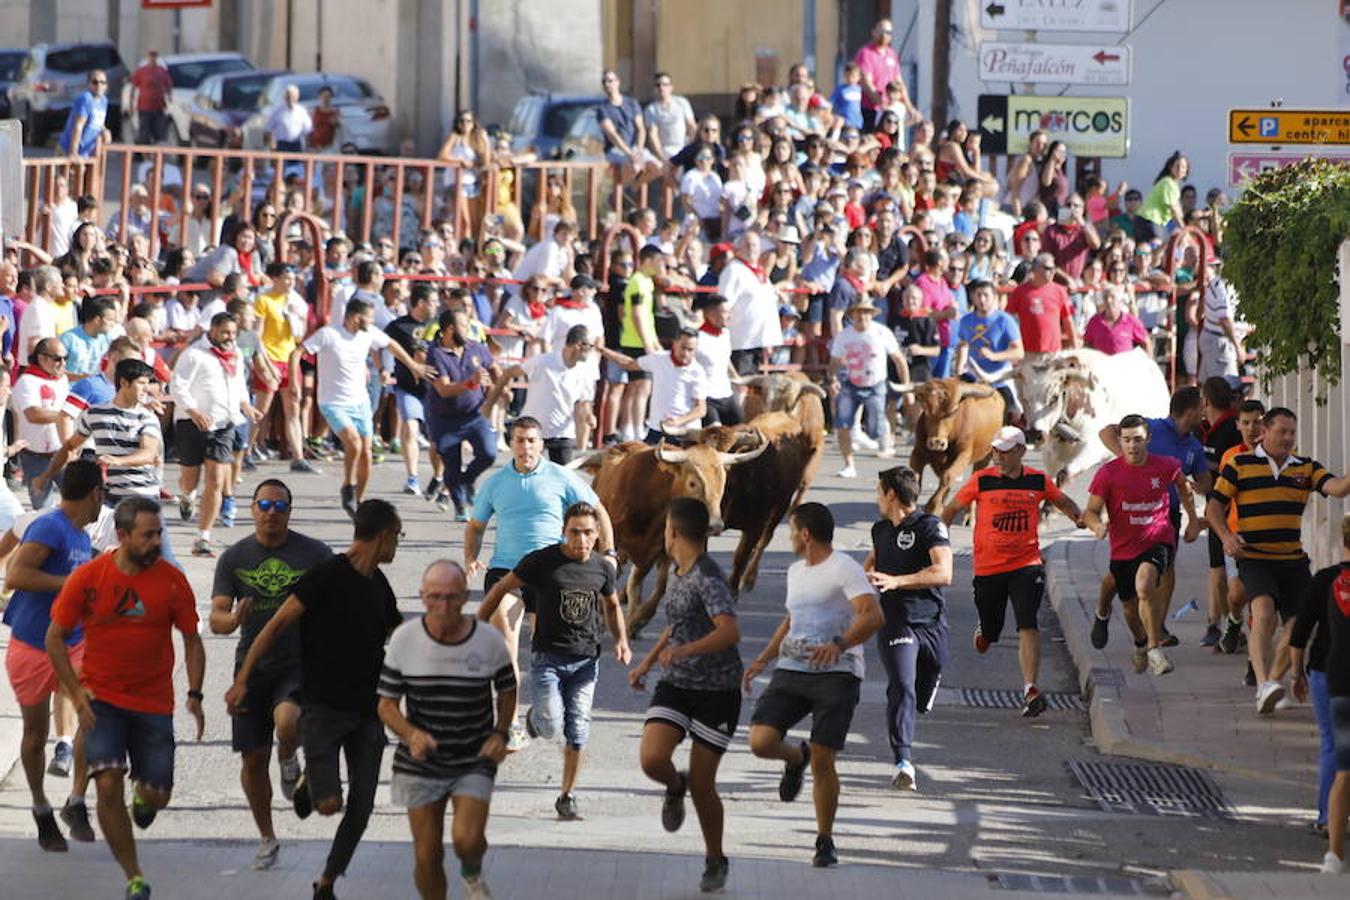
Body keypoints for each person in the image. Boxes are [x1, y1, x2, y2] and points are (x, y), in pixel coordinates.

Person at [225, 499, 406, 900]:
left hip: (368, 712)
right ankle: (313, 784)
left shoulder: (379, 585)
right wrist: (242, 679)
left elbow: (403, 639)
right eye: (398, 536)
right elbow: (273, 627)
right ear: (384, 535)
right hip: (322, 709)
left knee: (361, 808)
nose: (397, 546)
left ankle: (326, 882)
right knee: (327, 805)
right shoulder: (326, 576)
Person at [47, 497, 205, 900]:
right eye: (147, 535)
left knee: (158, 795)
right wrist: (77, 693)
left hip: (154, 704)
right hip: (103, 700)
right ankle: (134, 876)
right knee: (107, 786)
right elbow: (55, 638)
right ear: (122, 536)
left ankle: (145, 796)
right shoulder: (89, 578)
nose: (156, 542)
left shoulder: (172, 581)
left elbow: (191, 639)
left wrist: (195, 693)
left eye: (159, 534)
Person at [743, 502, 884, 868]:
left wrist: (839, 644)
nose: (789, 537)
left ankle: (824, 839)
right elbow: (792, 619)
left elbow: (874, 615)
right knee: (760, 741)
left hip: (838, 673)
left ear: (805, 534)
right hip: (793, 669)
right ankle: (795, 758)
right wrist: (763, 659)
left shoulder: (845, 569)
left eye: (791, 530)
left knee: (825, 757)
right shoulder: (795, 571)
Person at [463, 417, 614, 749]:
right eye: (519, 440)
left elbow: (599, 510)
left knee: (549, 647)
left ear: (541, 444)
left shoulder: (561, 477)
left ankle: (543, 710)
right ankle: (510, 721)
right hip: (507, 571)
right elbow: (475, 526)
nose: (526, 447)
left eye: (532, 440)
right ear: (511, 443)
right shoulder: (495, 482)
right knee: (507, 644)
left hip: (552, 573)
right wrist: (471, 557)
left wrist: (610, 553)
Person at [477, 501, 630, 820]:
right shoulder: (542, 561)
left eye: (588, 533)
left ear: (598, 534)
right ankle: (535, 721)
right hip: (548, 658)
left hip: (587, 662)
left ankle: (567, 795)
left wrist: (621, 642)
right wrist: (477, 622)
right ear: (564, 531)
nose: (581, 539)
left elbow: (613, 606)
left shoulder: (602, 568)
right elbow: (501, 587)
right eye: (574, 532)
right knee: (550, 723)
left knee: (578, 731)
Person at [210, 479, 333, 872]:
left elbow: (337, 604)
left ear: (289, 512)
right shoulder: (234, 557)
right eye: (263, 504)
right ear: (252, 509)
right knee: (251, 758)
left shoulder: (314, 554)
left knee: (288, 721)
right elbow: (216, 618)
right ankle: (266, 836)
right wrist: (233, 619)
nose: (271, 513)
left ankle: (288, 756)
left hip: (299, 662)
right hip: (252, 664)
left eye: (279, 506)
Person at [378, 560, 514, 900]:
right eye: (435, 597)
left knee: (467, 841)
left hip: (473, 753)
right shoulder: (404, 640)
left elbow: (508, 690)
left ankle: (471, 870)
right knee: (427, 854)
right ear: (422, 597)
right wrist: (411, 735)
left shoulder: (487, 640)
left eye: (452, 598)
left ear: (465, 597)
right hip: (420, 758)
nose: (443, 607)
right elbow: (386, 704)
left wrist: (500, 733)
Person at [629, 497, 741, 893]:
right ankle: (674, 786)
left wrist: (686, 651)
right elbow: (677, 624)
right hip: (677, 684)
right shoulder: (677, 570)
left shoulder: (708, 577)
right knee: (652, 758)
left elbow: (729, 631)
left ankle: (715, 858)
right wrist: (649, 661)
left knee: (704, 784)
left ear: (673, 531)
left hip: (717, 691)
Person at [1207, 407, 1350, 714]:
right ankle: (1262, 684)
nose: (1288, 438)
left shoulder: (1306, 468)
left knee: (1300, 626)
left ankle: (1272, 683)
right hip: (1254, 557)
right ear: (1265, 431)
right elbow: (1214, 507)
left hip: (1293, 560)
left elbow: (1338, 488)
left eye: (1292, 433)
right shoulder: (1240, 464)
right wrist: (1226, 537)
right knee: (1263, 611)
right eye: (1282, 431)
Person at [942, 428, 1084, 715]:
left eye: (1005, 450)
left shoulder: (1037, 479)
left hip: (1026, 564)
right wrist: (938, 540)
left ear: (1021, 451)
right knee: (991, 634)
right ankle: (986, 630)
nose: (999, 456)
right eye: (996, 450)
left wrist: (1080, 518)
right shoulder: (981, 480)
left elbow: (1063, 501)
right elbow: (951, 509)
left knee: (1027, 623)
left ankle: (1030, 689)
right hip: (988, 568)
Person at [3, 460, 104, 852]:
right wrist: (74, 583)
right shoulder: (51, 526)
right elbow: (15, 576)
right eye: (103, 495)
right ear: (95, 493)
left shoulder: (80, 533)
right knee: (34, 734)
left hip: (72, 641)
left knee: (93, 714)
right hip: (31, 643)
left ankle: (76, 801)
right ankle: (41, 807)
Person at [1084, 415, 1202, 678]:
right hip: (1124, 547)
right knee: (1129, 608)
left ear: (1148, 439)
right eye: (1126, 440)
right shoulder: (1108, 473)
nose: (1132, 446)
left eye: (1137, 440)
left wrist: (1193, 520)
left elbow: (1183, 487)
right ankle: (1139, 643)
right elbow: (1090, 511)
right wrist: (1097, 526)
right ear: (1120, 441)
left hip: (1157, 539)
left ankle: (1154, 650)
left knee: (1145, 585)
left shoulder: (1166, 466)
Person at [859, 467, 952, 791]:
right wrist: (860, 583)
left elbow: (944, 573)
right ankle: (903, 761)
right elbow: (870, 564)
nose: (876, 499)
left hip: (931, 621)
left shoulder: (930, 526)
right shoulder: (880, 530)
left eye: (877, 492)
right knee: (901, 686)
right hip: (895, 621)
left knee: (932, 670)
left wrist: (899, 581)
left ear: (891, 495)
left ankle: (924, 693)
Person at [297, 297, 429, 518]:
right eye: (369, 317)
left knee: (366, 453)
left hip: (360, 402)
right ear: (354, 317)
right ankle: (348, 486)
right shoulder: (329, 334)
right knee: (354, 444)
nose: (372, 320)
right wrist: (294, 382)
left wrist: (413, 365)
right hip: (333, 402)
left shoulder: (368, 333)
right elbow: (298, 352)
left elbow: (391, 345)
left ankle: (358, 502)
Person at [171, 312, 261, 556]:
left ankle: (203, 537)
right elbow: (176, 386)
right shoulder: (194, 354)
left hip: (224, 425)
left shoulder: (236, 355)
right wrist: (194, 411)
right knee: (190, 478)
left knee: (216, 480)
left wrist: (247, 406)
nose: (229, 338)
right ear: (212, 330)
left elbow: (239, 386)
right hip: (192, 424)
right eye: (225, 333)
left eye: (233, 333)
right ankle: (187, 496)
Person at [1289, 515, 1350, 874]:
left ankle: (1328, 819)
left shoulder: (1325, 580)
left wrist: (1296, 673)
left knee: (1333, 746)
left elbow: (1299, 633)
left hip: (1327, 674)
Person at [425, 307, 500, 520]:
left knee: (489, 453)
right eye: (464, 326)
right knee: (451, 464)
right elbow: (444, 389)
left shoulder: (475, 347)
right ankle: (459, 505)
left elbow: (493, 366)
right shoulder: (436, 354)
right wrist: (471, 382)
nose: (468, 330)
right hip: (444, 418)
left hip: (474, 415)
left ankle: (468, 480)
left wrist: (501, 385)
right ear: (450, 329)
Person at [487, 325, 595, 464]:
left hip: (563, 434)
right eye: (590, 346)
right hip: (533, 431)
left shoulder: (585, 371)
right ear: (579, 345)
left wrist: (589, 416)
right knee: (527, 478)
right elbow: (509, 372)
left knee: (562, 480)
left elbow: (584, 403)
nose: (592, 351)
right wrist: (496, 397)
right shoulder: (543, 361)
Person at [827, 298, 908, 478]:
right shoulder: (844, 336)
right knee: (842, 424)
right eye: (858, 312)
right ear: (852, 315)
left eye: (866, 312)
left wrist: (905, 386)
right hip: (850, 383)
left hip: (875, 384)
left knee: (874, 429)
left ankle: (883, 434)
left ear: (871, 315)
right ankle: (848, 464)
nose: (862, 316)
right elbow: (834, 362)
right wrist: (833, 379)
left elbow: (899, 360)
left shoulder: (882, 333)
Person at [250, 261, 316, 474]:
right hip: (270, 358)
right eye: (286, 278)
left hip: (289, 358)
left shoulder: (295, 302)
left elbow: (299, 336)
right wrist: (263, 363)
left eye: (292, 279)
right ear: (275, 279)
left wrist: (297, 318)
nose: (290, 283)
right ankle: (245, 450)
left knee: (293, 408)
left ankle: (298, 456)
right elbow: (255, 335)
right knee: (261, 409)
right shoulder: (263, 300)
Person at [597, 328, 708, 445]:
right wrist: (602, 350)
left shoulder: (697, 372)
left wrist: (678, 421)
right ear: (675, 343)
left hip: (684, 433)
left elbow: (701, 409)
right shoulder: (659, 359)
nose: (686, 353)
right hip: (657, 430)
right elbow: (629, 364)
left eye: (690, 350)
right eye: (683, 347)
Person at [385, 282, 439, 496]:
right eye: (433, 302)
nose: (436, 306)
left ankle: (439, 478)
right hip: (408, 387)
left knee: (438, 439)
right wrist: (382, 368)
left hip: (435, 389)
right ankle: (412, 478)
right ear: (421, 303)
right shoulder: (398, 326)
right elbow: (381, 346)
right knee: (410, 426)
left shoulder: (440, 326)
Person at [12, 335, 72, 509]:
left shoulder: (62, 379)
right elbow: (33, 415)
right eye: (57, 359)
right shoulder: (27, 382)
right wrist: (65, 416)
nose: (63, 363)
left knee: (76, 504)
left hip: (62, 454)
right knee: (43, 510)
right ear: (41, 358)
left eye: (65, 358)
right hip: (35, 459)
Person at [1005, 254, 1078, 361]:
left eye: (1054, 268)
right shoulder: (1019, 291)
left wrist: (1075, 347)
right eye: (1048, 268)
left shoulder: (1059, 291)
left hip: (1053, 352)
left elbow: (1068, 321)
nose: (1053, 271)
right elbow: (1008, 319)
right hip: (1027, 352)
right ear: (1036, 269)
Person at [596, 69, 662, 187]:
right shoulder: (602, 109)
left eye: (610, 81)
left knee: (658, 168)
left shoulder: (631, 103)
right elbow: (612, 135)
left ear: (617, 82)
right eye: (604, 82)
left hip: (635, 148)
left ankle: (633, 187)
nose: (607, 84)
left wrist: (639, 149)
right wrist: (630, 153)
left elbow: (641, 128)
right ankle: (619, 193)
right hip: (615, 150)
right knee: (635, 167)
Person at [693, 293, 741, 426]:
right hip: (706, 397)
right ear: (710, 313)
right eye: (725, 312)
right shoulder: (697, 338)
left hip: (726, 394)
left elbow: (725, 360)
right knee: (716, 435)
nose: (729, 316)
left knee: (741, 429)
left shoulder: (725, 333)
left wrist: (737, 378)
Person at [854, 19, 902, 131]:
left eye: (888, 32)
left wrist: (910, 108)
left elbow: (899, 83)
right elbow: (867, 84)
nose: (884, 35)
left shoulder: (892, 54)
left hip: (890, 111)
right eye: (881, 31)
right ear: (874, 32)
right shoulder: (865, 53)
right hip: (871, 110)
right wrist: (882, 105)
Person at [1082, 284, 1149, 355]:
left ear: (1120, 300)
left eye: (1112, 297)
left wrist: (1146, 363)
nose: (1109, 300)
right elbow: (1087, 345)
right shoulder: (1094, 321)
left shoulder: (1131, 321)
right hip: (1101, 364)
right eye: (1105, 297)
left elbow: (1146, 343)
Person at [58, 70, 110, 159]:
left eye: (102, 82)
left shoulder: (103, 101)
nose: (99, 85)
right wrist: (73, 152)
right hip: (68, 149)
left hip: (86, 152)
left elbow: (98, 122)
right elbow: (78, 125)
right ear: (88, 84)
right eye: (95, 82)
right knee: (70, 172)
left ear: (106, 85)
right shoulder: (86, 99)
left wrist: (105, 131)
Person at [130, 51, 173, 145]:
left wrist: (169, 96)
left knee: (159, 133)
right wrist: (131, 103)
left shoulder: (161, 71)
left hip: (159, 107)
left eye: (154, 56)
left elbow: (168, 84)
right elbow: (133, 87)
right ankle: (143, 154)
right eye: (151, 56)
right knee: (144, 133)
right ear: (148, 57)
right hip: (144, 107)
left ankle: (156, 154)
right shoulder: (142, 71)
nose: (152, 58)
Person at [266, 84, 313, 152]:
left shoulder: (302, 111)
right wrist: (271, 147)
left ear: (297, 97)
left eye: (293, 96)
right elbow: (268, 129)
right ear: (285, 97)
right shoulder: (277, 111)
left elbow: (307, 130)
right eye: (288, 96)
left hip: (296, 144)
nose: (290, 98)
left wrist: (308, 147)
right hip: (281, 144)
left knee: (296, 162)